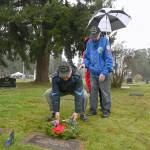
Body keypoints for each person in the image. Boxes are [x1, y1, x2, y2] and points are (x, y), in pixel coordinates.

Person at [81, 26, 113, 118]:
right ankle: (93, 109)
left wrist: (104, 72)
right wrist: (85, 64)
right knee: (93, 92)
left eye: (95, 36)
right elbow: (86, 57)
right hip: (92, 72)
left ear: (100, 34)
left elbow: (109, 59)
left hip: (103, 72)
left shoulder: (105, 42)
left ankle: (106, 110)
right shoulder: (89, 43)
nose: (93, 38)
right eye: (92, 36)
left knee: (105, 92)